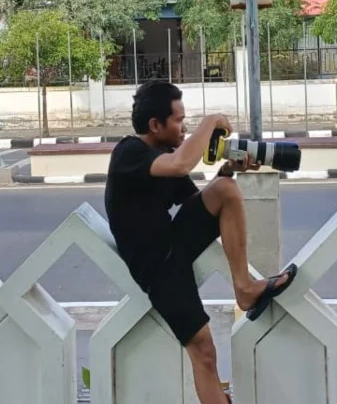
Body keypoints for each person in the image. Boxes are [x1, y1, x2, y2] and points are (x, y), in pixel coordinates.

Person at [104, 80, 297, 404]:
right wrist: (210, 122)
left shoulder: (165, 155)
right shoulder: (130, 152)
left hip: (173, 243)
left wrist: (228, 170)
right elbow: (181, 163)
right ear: (155, 124)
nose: (185, 127)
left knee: (225, 191)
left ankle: (245, 289)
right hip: (157, 268)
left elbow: (200, 202)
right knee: (204, 353)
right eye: (179, 120)